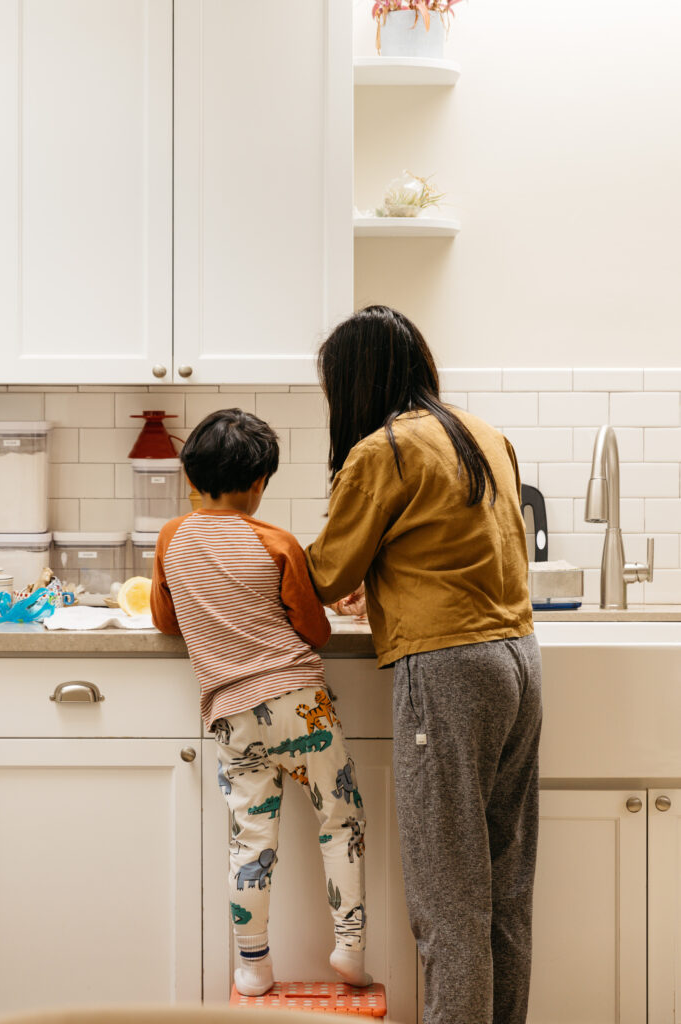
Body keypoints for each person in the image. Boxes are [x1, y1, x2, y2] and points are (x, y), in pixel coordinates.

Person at [304, 307, 542, 1024]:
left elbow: (324, 569)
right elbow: (459, 551)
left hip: (448, 674)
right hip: (516, 662)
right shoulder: (482, 434)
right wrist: (383, 589)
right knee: (503, 894)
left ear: (352, 382)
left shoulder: (382, 450)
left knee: (448, 904)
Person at [150, 408, 370, 997]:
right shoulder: (275, 541)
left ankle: (254, 968)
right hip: (301, 705)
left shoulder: (171, 539)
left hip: (232, 715)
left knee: (251, 842)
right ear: (258, 484)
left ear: (193, 477)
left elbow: (166, 622)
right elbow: (315, 633)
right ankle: (348, 946)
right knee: (339, 818)